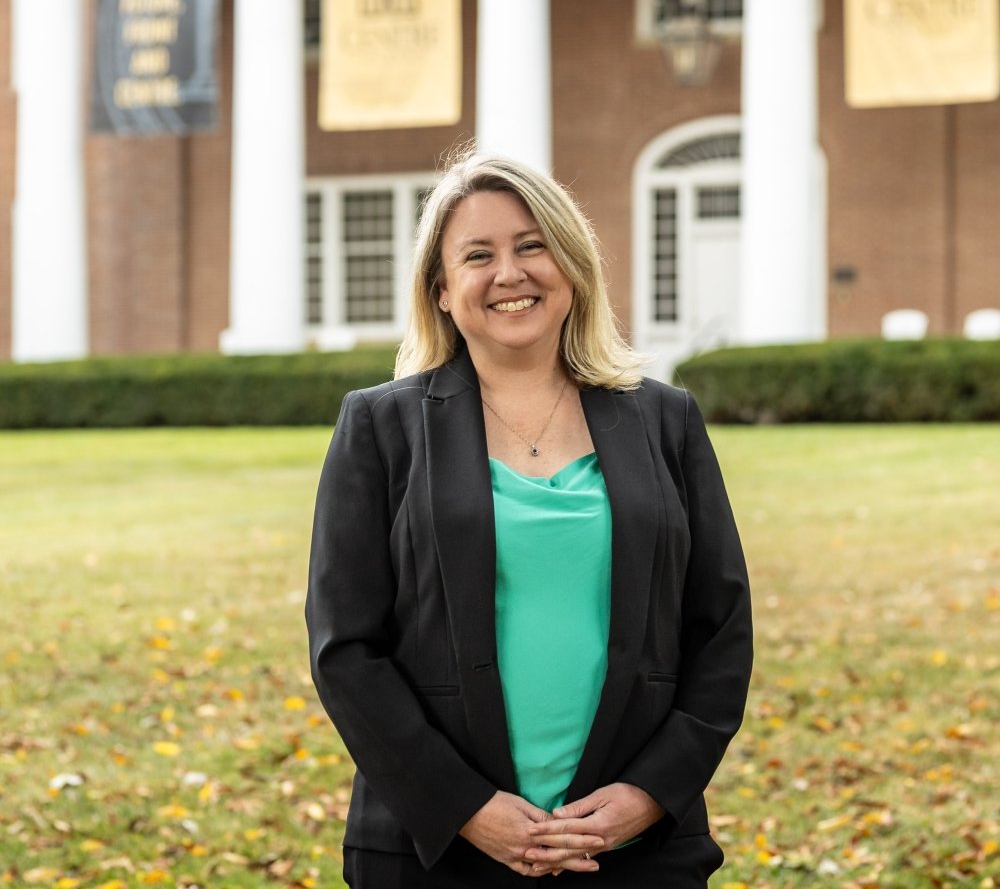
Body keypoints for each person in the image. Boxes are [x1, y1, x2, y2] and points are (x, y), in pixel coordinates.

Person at [306, 151, 753, 888]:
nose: (509, 273)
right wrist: (466, 807)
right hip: (435, 850)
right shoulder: (380, 427)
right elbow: (345, 647)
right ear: (442, 290)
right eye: (477, 255)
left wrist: (649, 795)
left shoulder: (665, 420)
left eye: (532, 245)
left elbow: (721, 628)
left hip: (634, 849)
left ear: (572, 268)